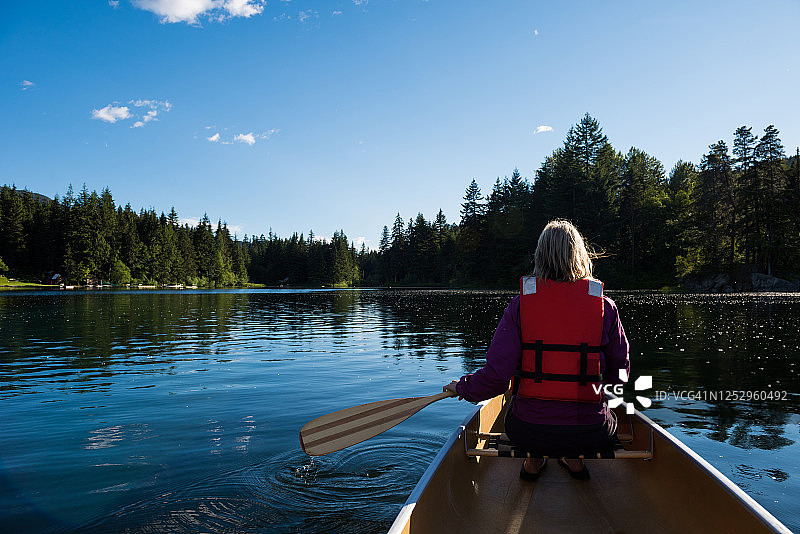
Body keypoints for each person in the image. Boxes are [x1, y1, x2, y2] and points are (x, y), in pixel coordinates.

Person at [444, 219, 630, 481]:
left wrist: (463, 387)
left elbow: (497, 378)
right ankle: (574, 460)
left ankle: (533, 461)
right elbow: (620, 374)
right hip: (591, 431)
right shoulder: (605, 306)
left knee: (520, 406)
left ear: (540, 257)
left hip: (528, 431)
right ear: (580, 255)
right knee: (600, 414)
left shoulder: (521, 306)